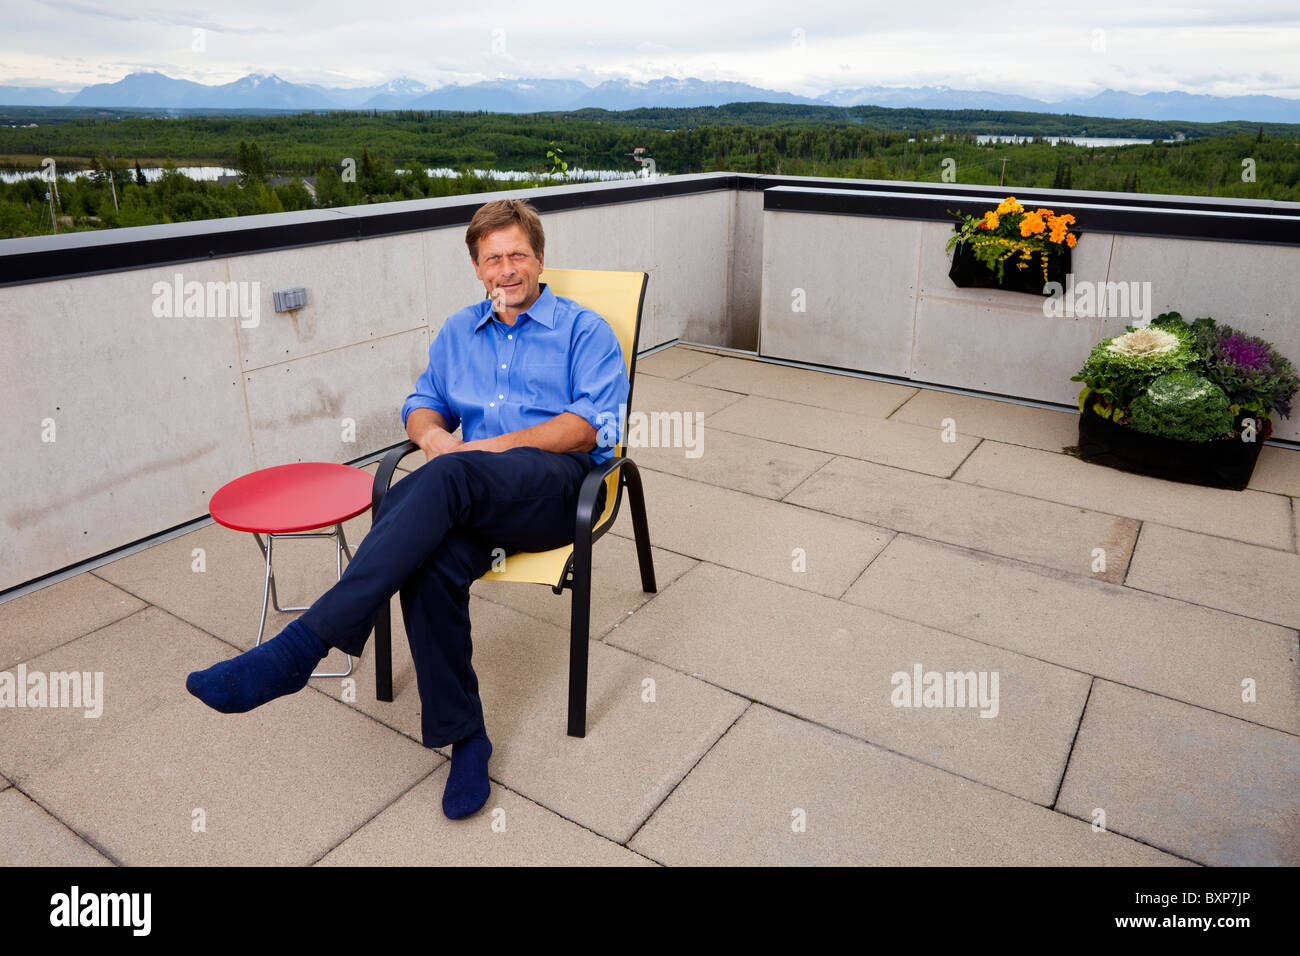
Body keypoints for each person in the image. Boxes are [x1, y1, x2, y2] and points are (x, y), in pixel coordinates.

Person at [186, 198, 629, 820]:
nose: (507, 270)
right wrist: (432, 437)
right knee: (430, 561)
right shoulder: (457, 333)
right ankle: (466, 738)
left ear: (540, 258)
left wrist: (487, 447)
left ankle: (301, 648)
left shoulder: (584, 330)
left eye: (518, 255)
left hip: (553, 489)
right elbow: (421, 403)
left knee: (442, 482)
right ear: (477, 267)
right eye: (493, 258)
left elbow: (590, 426)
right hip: (468, 493)